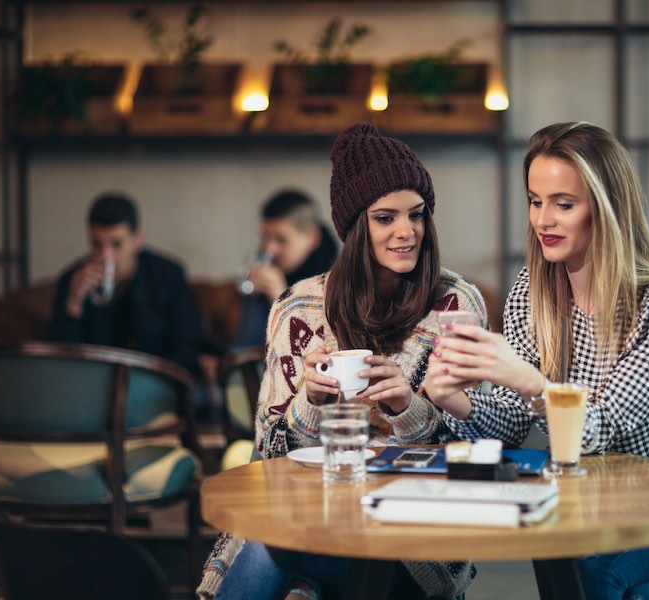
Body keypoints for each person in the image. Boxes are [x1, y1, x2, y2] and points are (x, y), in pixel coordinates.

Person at [424, 122, 649, 600]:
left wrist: (531, 382)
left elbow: (600, 427)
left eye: (563, 204)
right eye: (535, 201)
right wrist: (455, 401)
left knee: (592, 558)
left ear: (607, 209)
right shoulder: (531, 297)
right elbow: (510, 424)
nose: (543, 220)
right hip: (619, 505)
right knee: (641, 592)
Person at [198, 123, 486, 600]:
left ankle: (306, 588)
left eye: (416, 215)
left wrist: (407, 409)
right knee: (279, 537)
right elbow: (269, 457)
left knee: (298, 553)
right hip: (308, 511)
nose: (406, 232)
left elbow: (478, 449)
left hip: (407, 529)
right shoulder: (299, 308)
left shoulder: (455, 305)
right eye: (385, 218)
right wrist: (310, 401)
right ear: (354, 228)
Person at [48, 192, 207, 380]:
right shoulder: (72, 281)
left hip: (157, 387)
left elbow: (189, 345)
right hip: (94, 389)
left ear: (137, 240)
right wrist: (73, 306)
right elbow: (59, 364)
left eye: (116, 244)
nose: (106, 256)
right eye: (97, 244)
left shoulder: (167, 275)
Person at [232, 189, 339, 350]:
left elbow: (321, 350)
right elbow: (246, 346)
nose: (269, 249)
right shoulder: (268, 270)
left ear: (312, 238)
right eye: (265, 238)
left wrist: (281, 297)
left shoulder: (339, 275)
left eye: (281, 240)